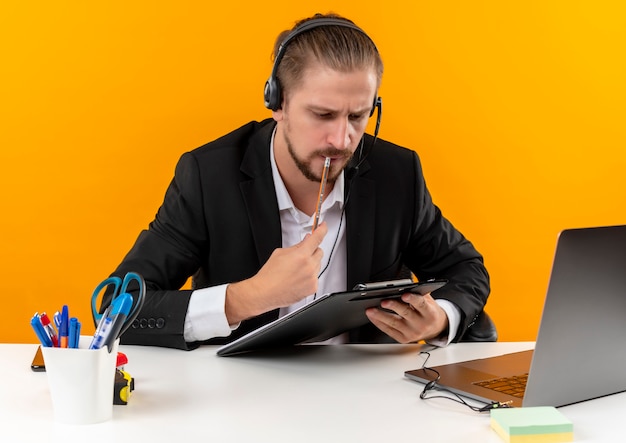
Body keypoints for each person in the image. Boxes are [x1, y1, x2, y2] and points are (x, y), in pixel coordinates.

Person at [104, 12, 491, 350]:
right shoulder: (209, 176)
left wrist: (440, 318)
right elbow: (114, 308)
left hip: (368, 406)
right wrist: (244, 298)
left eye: (358, 117)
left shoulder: (397, 172)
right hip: (243, 404)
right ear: (278, 102)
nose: (342, 140)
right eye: (322, 115)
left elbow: (466, 270)